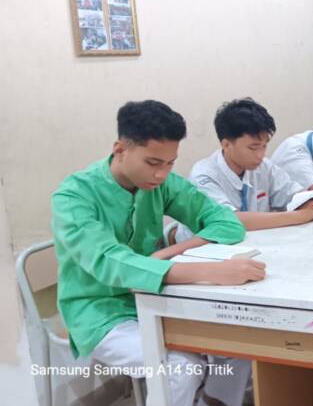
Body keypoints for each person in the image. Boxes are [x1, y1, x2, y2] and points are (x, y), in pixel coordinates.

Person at [52, 100, 264, 406]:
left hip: (158, 297)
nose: (162, 174)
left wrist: (171, 251)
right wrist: (212, 271)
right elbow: (111, 262)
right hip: (100, 311)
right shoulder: (74, 196)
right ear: (120, 150)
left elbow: (227, 223)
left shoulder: (159, 184)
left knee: (238, 341)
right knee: (181, 368)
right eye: (153, 163)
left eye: (170, 163)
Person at [174, 99, 313, 245]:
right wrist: (301, 216)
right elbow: (231, 221)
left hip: (252, 245)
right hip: (204, 252)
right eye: (253, 148)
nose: (260, 155)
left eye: (264, 146)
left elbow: (294, 195)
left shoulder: (264, 167)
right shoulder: (204, 175)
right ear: (226, 145)